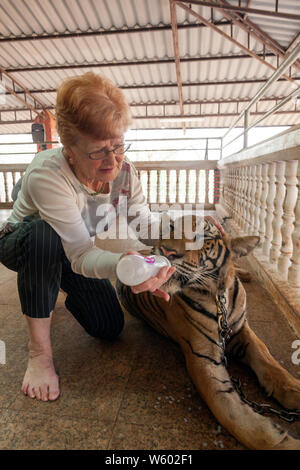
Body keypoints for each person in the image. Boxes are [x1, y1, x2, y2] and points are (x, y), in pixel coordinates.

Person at [0, 72, 223, 402]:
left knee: (109, 327)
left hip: (70, 248)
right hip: (22, 240)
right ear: (69, 148)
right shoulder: (49, 174)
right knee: (44, 236)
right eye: (98, 151)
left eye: (118, 145)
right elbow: (80, 254)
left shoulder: (125, 172)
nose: (112, 161)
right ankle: (39, 355)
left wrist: (186, 225)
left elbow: (145, 225)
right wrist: (121, 263)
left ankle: (54, 280)